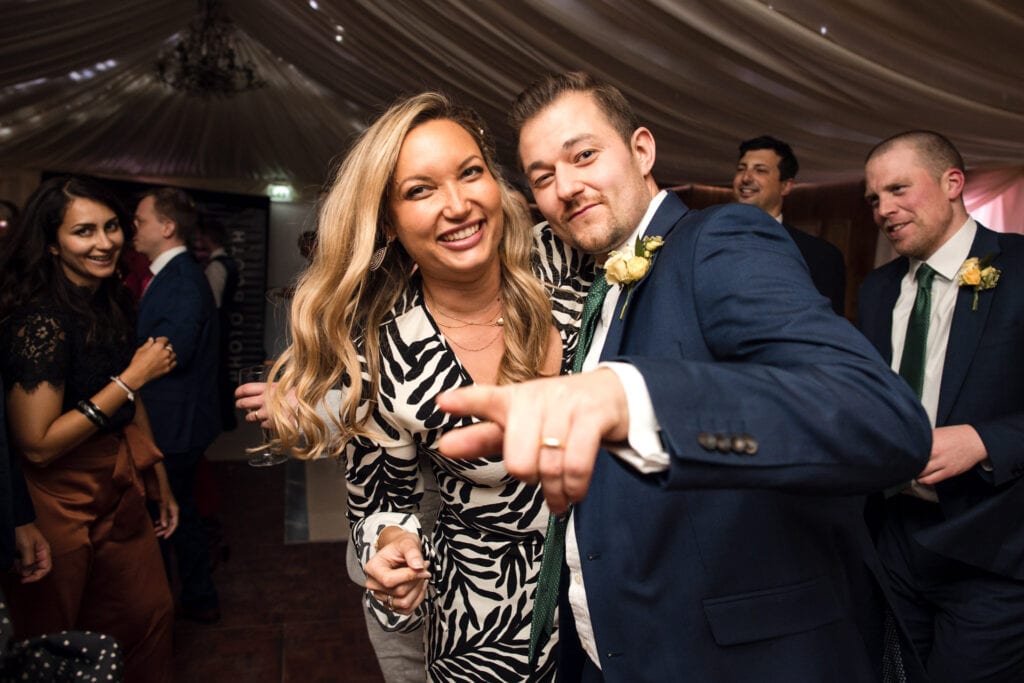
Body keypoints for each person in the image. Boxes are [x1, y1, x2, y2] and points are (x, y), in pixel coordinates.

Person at [435, 72, 933, 682]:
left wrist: (635, 400)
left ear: (643, 151)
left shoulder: (718, 239)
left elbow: (878, 418)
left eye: (583, 155)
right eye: (542, 177)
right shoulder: (592, 287)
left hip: (732, 660)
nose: (565, 187)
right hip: (612, 651)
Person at [238, 92, 585, 681]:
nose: (458, 204)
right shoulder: (387, 352)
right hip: (490, 614)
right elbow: (380, 499)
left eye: (470, 172)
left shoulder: (570, 259)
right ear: (389, 223)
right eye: (419, 190)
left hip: (624, 586)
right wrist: (392, 544)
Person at [858, 130, 1024, 683]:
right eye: (874, 198)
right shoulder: (878, 290)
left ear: (952, 183)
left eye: (899, 189)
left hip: (993, 544)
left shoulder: (1020, 269)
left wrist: (983, 440)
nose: (884, 209)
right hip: (895, 540)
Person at [0, 175, 180, 682]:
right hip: (55, 497)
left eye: (112, 227)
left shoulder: (111, 299)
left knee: (149, 612)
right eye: (84, 231)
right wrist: (129, 378)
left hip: (120, 479)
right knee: (56, 635)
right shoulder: (39, 322)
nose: (104, 242)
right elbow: (36, 446)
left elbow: (131, 401)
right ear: (52, 242)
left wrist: (157, 476)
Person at [133, 187, 221, 623]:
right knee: (179, 511)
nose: (133, 230)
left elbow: (173, 351)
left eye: (139, 221)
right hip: (173, 418)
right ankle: (194, 597)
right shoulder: (172, 274)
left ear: (166, 228)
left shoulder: (182, 278)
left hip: (174, 422)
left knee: (173, 512)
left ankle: (189, 599)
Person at [733, 135, 847, 314]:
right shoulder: (707, 241)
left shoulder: (820, 256)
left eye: (760, 170)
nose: (746, 178)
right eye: (741, 169)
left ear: (786, 186)